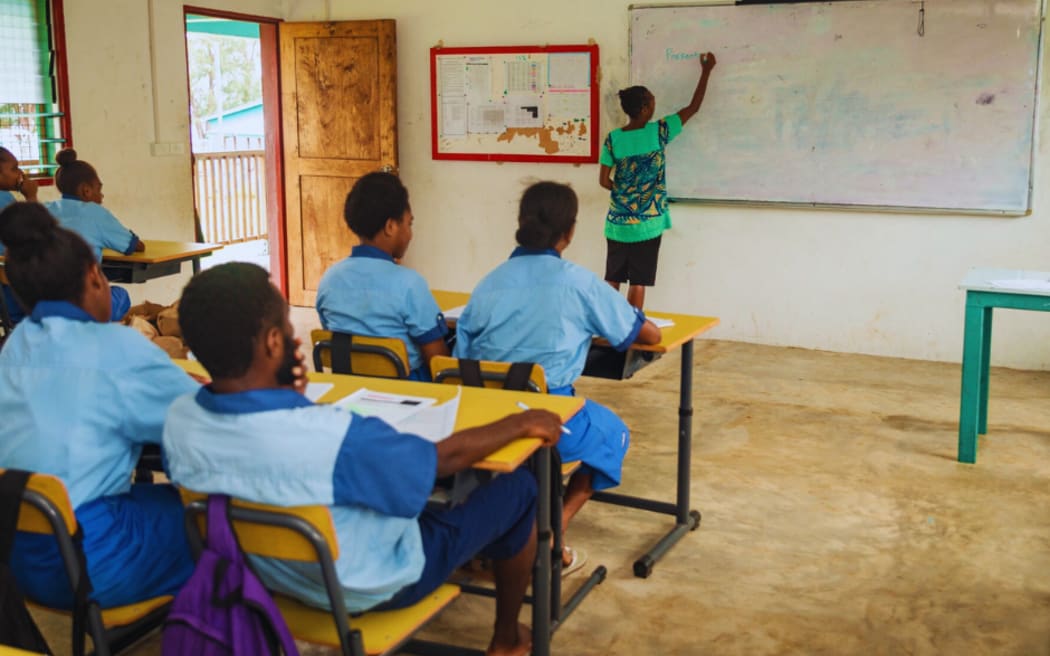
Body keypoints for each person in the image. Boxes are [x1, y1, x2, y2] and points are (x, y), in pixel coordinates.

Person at [167, 262, 562, 656]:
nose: (294, 338)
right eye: (288, 327)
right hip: (372, 585)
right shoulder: (329, 434)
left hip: (268, 578)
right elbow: (440, 460)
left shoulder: (179, 421)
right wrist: (517, 422)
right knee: (519, 488)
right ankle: (508, 638)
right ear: (272, 343)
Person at [0, 201, 198, 609]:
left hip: (14, 553)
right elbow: (200, 417)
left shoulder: (13, 346)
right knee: (215, 518)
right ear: (95, 277)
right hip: (89, 560)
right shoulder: (117, 347)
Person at [454, 181, 661, 566]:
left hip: (483, 417)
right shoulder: (578, 283)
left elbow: (460, 357)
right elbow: (647, 334)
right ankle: (552, 533)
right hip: (549, 419)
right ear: (569, 232)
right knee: (613, 433)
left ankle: (518, 526)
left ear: (521, 223)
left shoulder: (488, 284)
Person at [599, 52, 717, 310]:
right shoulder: (658, 131)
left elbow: (603, 181)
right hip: (647, 222)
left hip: (617, 221)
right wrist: (706, 72)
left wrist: (625, 194)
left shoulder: (613, 139)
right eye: (652, 102)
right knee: (638, 281)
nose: (654, 106)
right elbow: (693, 107)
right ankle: (633, 332)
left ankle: (605, 327)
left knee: (612, 278)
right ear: (643, 109)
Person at [316, 172, 450, 380]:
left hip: (351, 389)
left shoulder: (329, 280)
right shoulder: (409, 284)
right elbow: (439, 362)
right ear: (390, 226)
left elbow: (335, 335)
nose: (410, 233)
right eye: (408, 224)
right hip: (409, 392)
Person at [45, 148, 145, 321]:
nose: (102, 195)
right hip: (81, 304)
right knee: (120, 294)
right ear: (86, 190)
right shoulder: (95, 213)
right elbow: (134, 246)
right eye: (99, 188)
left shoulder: (45, 209)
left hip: (44, 301)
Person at [0, 147, 38, 325]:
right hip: (12, 293)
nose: (20, 173)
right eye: (14, 168)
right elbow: (34, 233)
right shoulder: (4, 199)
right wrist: (31, 197)